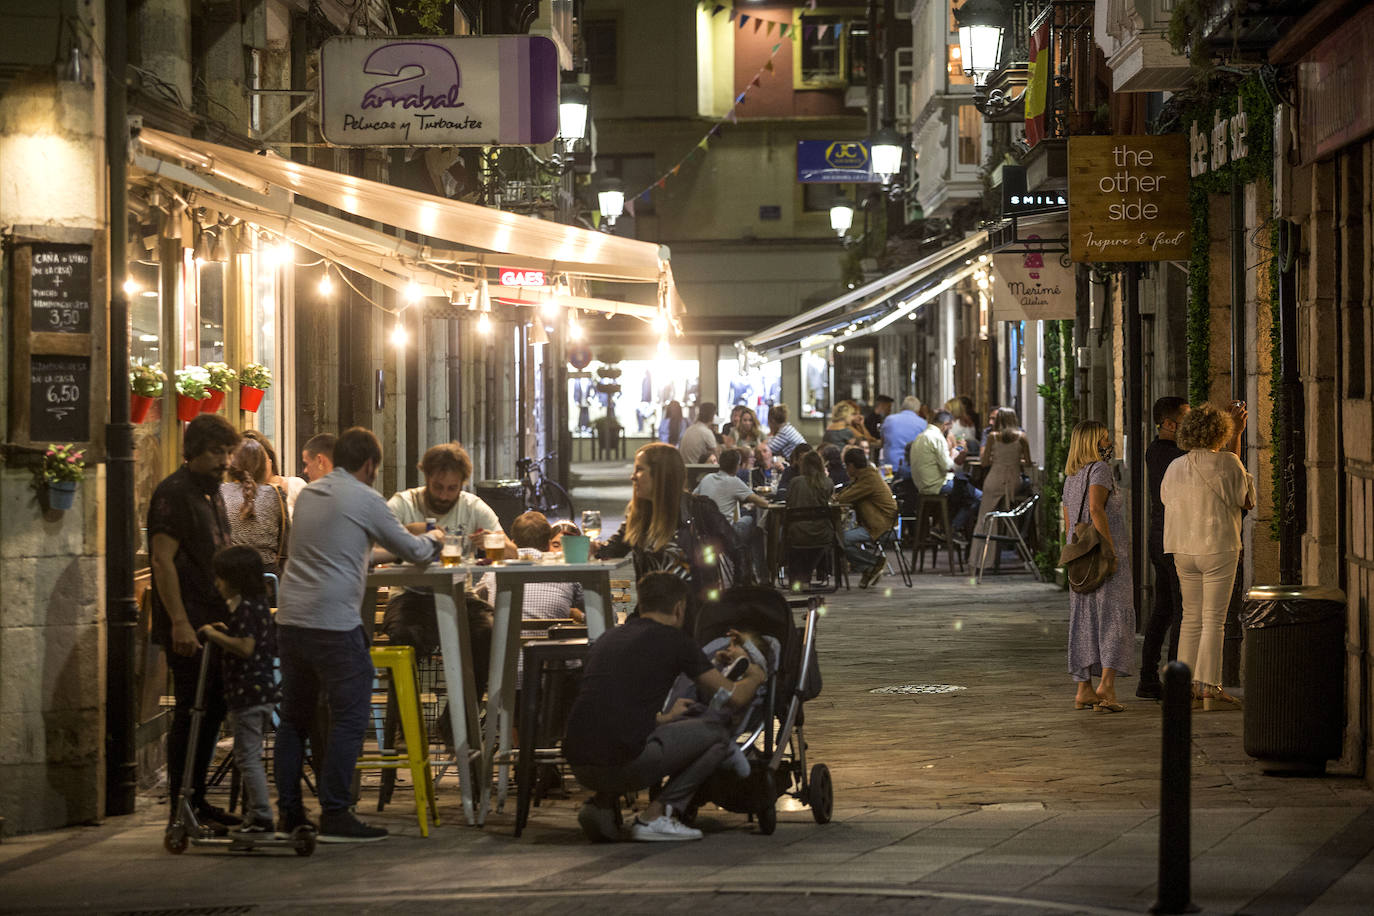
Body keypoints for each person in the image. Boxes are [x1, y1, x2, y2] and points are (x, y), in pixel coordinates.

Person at [274, 427, 444, 842]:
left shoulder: (312, 494)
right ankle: (336, 812)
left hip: (292, 619)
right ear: (369, 465)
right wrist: (437, 536)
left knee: (294, 720)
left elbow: (355, 552)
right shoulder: (368, 499)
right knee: (351, 714)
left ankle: (290, 814)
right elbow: (416, 551)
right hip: (333, 623)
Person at [564, 572, 766, 842]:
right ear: (679, 608)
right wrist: (755, 675)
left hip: (578, 762)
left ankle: (602, 804)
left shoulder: (609, 638)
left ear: (642, 603)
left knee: (619, 737)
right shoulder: (676, 640)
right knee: (717, 736)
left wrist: (667, 718)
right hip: (626, 764)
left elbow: (613, 707)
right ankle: (656, 816)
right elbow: (733, 698)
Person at [148, 414, 242, 832]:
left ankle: (198, 801)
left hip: (216, 618)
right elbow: (162, 561)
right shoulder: (174, 493)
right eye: (215, 453)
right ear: (193, 453)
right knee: (192, 710)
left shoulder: (212, 492)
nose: (224, 461)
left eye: (227, 452)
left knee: (213, 708)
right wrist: (179, 623)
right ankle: (180, 810)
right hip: (190, 622)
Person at [1161, 402, 1254, 711]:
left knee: (1190, 617)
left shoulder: (1174, 466)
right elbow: (1244, 499)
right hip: (1218, 546)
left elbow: (1165, 500)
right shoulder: (1229, 462)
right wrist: (1237, 439)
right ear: (1221, 432)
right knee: (1214, 619)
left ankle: (1183, 685)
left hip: (1182, 548)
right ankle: (1209, 688)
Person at [383, 442, 500, 659]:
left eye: (452, 488)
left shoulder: (472, 507)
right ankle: (403, 693)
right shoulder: (404, 504)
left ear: (462, 484)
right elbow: (372, 543)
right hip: (409, 594)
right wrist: (408, 531)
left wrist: (493, 542)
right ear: (426, 477)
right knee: (404, 635)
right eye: (438, 487)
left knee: (488, 631)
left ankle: (470, 693)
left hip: (460, 594)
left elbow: (510, 549)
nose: (444, 496)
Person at [596, 443, 736, 623]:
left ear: (661, 475)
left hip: (695, 619)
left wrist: (737, 604)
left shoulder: (699, 509)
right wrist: (586, 545)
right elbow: (609, 552)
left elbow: (738, 550)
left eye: (639, 470)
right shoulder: (639, 516)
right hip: (649, 616)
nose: (633, 477)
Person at [198, 546, 279, 835]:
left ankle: (261, 815)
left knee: (247, 756)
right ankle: (259, 814)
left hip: (249, 694)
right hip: (259, 693)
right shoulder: (257, 605)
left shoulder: (245, 608)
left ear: (235, 578)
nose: (217, 583)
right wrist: (226, 631)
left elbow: (246, 647)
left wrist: (213, 634)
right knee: (249, 754)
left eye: (220, 578)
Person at [1061, 420, 1135, 713]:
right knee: (1115, 616)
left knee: (1084, 620)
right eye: (1105, 439)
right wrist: (1110, 550)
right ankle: (1107, 685)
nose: (1109, 444)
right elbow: (1095, 508)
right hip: (1101, 554)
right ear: (1093, 443)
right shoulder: (1100, 470)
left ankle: (1084, 689)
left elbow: (1070, 521)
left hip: (1079, 557)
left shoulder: (1071, 476)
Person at [1137, 397, 1191, 700]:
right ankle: (1175, 680)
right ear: (1169, 424)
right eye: (1186, 418)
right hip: (1172, 541)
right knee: (1181, 609)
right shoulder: (1173, 457)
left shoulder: (1155, 451)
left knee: (1163, 609)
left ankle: (1148, 678)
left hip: (1159, 540)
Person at [693, 448, 769, 581]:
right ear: (737, 466)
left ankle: (748, 568)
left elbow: (693, 497)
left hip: (703, 533)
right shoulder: (734, 481)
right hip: (725, 535)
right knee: (755, 525)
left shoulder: (707, 478)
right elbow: (763, 504)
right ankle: (759, 575)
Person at [220, 436, 290, 575]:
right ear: (262, 466)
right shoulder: (275, 493)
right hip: (267, 577)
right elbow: (285, 541)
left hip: (229, 574)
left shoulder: (220, 492)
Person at [911, 410, 980, 541]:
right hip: (937, 485)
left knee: (961, 493)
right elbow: (948, 466)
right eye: (949, 427)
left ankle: (941, 526)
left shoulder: (921, 436)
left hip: (923, 485)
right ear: (945, 425)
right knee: (977, 496)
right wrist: (954, 453)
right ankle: (951, 529)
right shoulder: (937, 437)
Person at [834, 448, 898, 589]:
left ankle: (873, 563)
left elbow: (845, 497)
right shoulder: (865, 476)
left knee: (839, 539)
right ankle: (869, 567)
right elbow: (848, 492)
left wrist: (835, 497)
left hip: (880, 526)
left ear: (851, 466)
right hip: (876, 523)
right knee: (840, 537)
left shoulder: (868, 479)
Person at [784, 451, 837, 587]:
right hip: (822, 532)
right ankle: (809, 575)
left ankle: (799, 577)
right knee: (815, 547)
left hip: (798, 532)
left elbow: (789, 504)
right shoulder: (828, 483)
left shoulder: (795, 482)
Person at [975, 408, 1033, 530]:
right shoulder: (1022, 437)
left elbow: (984, 462)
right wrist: (1015, 461)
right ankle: (1011, 535)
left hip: (994, 479)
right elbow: (1028, 463)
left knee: (985, 516)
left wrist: (997, 460)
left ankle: (985, 546)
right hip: (1014, 481)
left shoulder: (993, 437)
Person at [881, 396, 928, 477]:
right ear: (918, 409)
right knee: (908, 488)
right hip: (911, 467)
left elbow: (883, 440)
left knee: (886, 487)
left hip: (888, 464)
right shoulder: (923, 423)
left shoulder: (889, 419)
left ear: (902, 407)